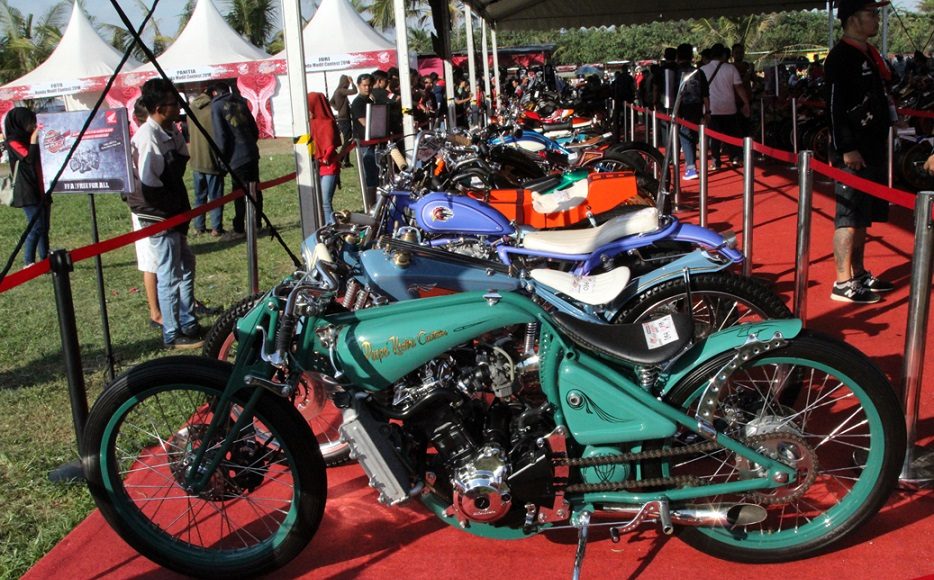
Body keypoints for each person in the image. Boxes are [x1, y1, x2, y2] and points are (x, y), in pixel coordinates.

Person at [825, 0, 896, 304]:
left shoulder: (869, 53)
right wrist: (847, 147)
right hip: (853, 152)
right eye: (872, 13)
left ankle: (859, 273)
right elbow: (833, 107)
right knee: (848, 217)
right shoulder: (840, 57)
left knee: (863, 218)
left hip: (872, 147)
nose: (877, 19)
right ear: (853, 19)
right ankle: (843, 282)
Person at [127, 78, 202, 349]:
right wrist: (169, 210)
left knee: (186, 264)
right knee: (169, 272)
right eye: (174, 103)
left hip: (173, 210)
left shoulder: (169, 130)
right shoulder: (148, 138)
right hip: (160, 214)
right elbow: (150, 183)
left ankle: (188, 321)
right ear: (159, 108)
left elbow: (181, 158)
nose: (179, 107)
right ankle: (172, 332)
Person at [211, 81, 261, 237]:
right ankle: (257, 223)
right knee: (255, 189)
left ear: (214, 93)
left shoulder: (216, 106)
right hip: (251, 152)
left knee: (239, 193)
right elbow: (254, 129)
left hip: (235, 156)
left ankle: (239, 227)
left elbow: (221, 136)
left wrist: (221, 159)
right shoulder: (240, 101)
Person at [4, 107, 49, 268]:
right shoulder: (13, 141)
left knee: (44, 227)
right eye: (30, 122)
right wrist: (34, 139)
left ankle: (45, 259)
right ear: (20, 123)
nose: (33, 125)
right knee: (35, 226)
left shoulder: (29, 138)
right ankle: (29, 261)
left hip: (41, 187)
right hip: (27, 190)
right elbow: (28, 159)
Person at [700, 43, 750, 169]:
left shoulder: (703, 70)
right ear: (723, 55)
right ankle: (735, 157)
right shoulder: (730, 68)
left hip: (711, 108)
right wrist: (746, 103)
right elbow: (739, 87)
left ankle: (715, 161)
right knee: (732, 135)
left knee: (714, 137)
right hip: (729, 108)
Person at [189, 87, 225, 237]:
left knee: (199, 196)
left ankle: (199, 227)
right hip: (211, 159)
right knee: (215, 196)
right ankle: (216, 228)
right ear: (214, 94)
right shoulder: (213, 109)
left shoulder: (191, 107)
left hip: (196, 159)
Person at [675, 43, 709, 181]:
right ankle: (690, 163)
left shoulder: (675, 72)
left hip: (679, 107)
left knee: (684, 134)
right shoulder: (698, 72)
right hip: (696, 107)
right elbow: (705, 94)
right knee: (691, 135)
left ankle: (691, 167)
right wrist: (708, 111)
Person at [308, 92, 342, 224]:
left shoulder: (327, 123)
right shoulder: (311, 123)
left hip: (328, 167)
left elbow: (330, 144)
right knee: (319, 201)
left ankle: (332, 226)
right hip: (317, 166)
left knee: (325, 202)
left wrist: (325, 156)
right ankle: (326, 226)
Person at [350, 73, 378, 206]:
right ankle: (371, 205)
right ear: (358, 86)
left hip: (373, 142)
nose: (367, 88)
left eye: (369, 85)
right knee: (370, 176)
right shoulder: (358, 102)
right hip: (364, 143)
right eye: (364, 85)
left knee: (375, 175)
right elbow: (365, 122)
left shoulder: (370, 100)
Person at [330, 74, 357, 168]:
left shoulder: (336, 91)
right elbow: (355, 91)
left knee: (347, 140)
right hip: (345, 118)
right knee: (347, 140)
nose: (348, 85)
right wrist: (352, 82)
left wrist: (337, 108)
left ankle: (346, 160)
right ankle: (340, 159)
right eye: (347, 82)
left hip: (341, 118)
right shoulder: (341, 91)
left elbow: (331, 102)